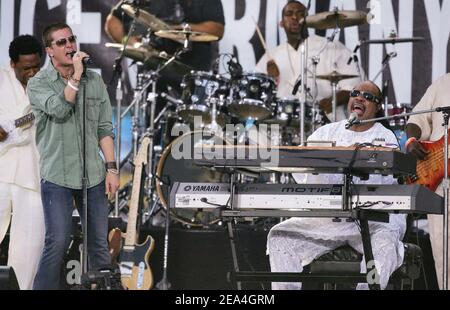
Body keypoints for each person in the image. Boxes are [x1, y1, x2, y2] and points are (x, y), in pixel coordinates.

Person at [267, 81, 406, 290]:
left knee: (384, 247)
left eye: (368, 97)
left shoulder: (386, 137)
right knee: (280, 236)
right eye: (355, 94)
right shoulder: (326, 132)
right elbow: (301, 166)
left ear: (377, 107)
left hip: (372, 221)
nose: (359, 98)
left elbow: (384, 185)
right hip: (328, 220)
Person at [27, 23, 120, 290]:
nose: (69, 45)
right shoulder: (39, 83)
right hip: (57, 176)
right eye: (61, 42)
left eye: (71, 39)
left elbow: (104, 128)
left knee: (99, 244)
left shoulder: (95, 81)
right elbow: (58, 109)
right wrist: (76, 76)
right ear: (50, 51)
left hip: (92, 174)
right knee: (57, 241)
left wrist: (112, 169)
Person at [255, 0, 362, 122]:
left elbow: (356, 85)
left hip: (326, 121)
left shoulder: (330, 46)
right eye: (289, 14)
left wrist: (333, 100)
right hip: (283, 124)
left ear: (308, 20)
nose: (295, 17)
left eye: (301, 13)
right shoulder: (271, 56)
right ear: (281, 23)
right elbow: (256, 95)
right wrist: (271, 80)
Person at [0, 35, 45, 290]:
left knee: (28, 251)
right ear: (12, 64)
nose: (32, 72)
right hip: (1, 172)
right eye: (25, 68)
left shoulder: (49, 85)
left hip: (33, 174)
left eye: (36, 66)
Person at [405, 73, 450, 290]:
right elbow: (416, 119)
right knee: (442, 250)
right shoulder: (444, 83)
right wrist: (412, 140)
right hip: (441, 182)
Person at [104, 0, 225, 72]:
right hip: (155, 72)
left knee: (196, 115)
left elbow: (218, 29)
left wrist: (182, 29)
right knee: (153, 112)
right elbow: (113, 21)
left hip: (193, 74)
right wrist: (130, 42)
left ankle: (196, 116)